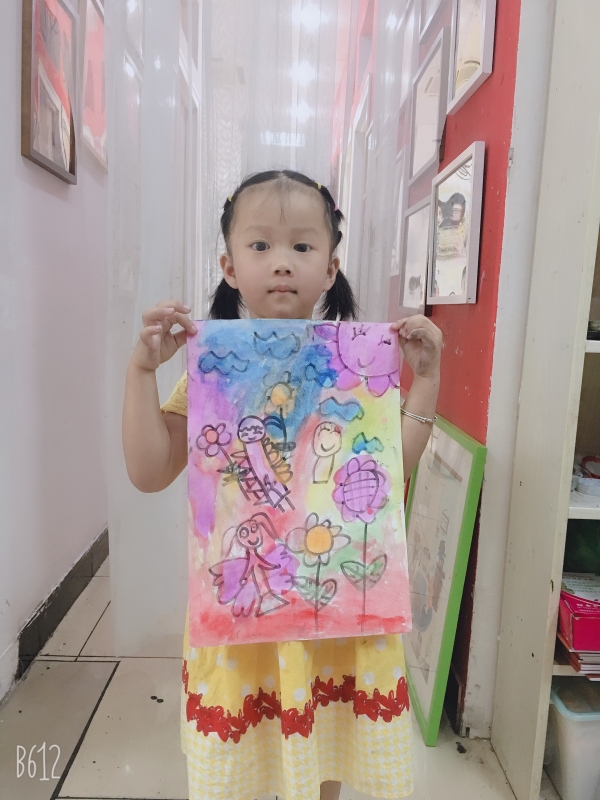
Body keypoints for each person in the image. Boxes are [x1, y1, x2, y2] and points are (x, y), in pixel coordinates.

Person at [122, 169, 442, 800]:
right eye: (260, 244)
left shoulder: (357, 368)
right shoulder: (211, 373)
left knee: (326, 747)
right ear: (229, 266)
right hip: (245, 616)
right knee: (242, 763)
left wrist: (426, 381)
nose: (282, 262)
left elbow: (387, 475)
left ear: (330, 267)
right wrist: (140, 371)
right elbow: (149, 470)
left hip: (336, 610)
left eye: (302, 245)